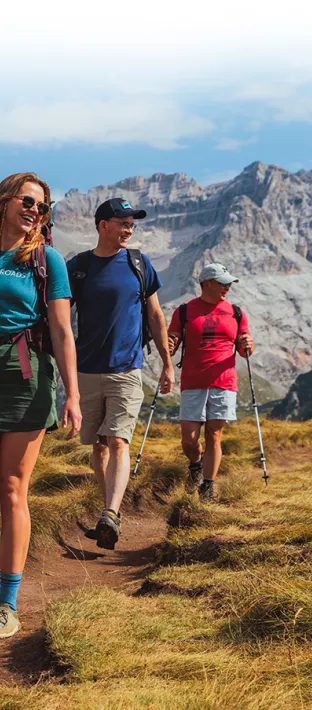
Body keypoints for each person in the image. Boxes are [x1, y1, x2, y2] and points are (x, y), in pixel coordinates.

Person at [67, 198, 174, 550]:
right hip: (85, 370)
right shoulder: (78, 267)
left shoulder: (139, 264)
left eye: (132, 223)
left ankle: (111, 512)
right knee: (97, 445)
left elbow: (156, 317)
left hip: (127, 370)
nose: (129, 228)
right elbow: (58, 316)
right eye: (123, 222)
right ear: (103, 226)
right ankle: (107, 510)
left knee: (118, 440)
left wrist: (167, 364)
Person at [0, 173, 81, 638]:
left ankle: (7, 602)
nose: (35, 209)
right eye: (28, 200)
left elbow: (63, 331)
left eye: (42, 206)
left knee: (12, 487)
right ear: (6, 201)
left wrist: (73, 394)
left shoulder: (46, 260)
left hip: (25, 378)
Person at [167, 263, 254, 501]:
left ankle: (208, 485)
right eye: (222, 283)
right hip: (193, 382)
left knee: (214, 434)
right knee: (189, 440)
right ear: (207, 284)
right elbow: (171, 343)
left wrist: (248, 347)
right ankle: (195, 464)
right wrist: (170, 344)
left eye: (229, 284)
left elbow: (244, 351)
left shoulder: (236, 313)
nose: (227, 287)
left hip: (224, 382)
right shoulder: (184, 311)